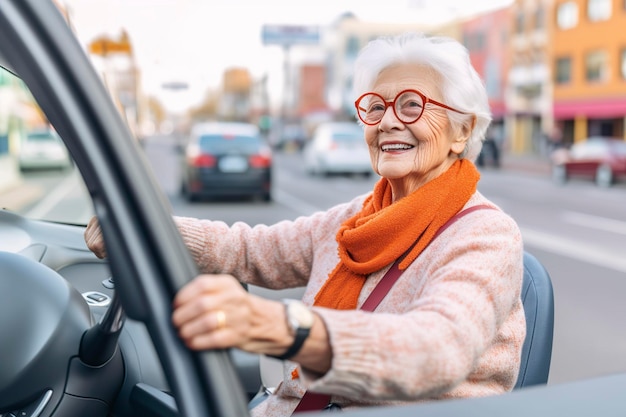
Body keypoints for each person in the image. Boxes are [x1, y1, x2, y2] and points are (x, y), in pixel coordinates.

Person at [84, 32, 525, 416]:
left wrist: (284, 327)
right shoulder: (356, 217)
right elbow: (248, 250)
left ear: (461, 131)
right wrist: (140, 226)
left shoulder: (486, 235)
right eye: (375, 106)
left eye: (412, 105)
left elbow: (438, 350)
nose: (388, 121)